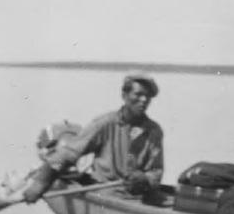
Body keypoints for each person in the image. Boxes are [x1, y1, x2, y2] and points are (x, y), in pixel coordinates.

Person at [21, 72, 166, 203]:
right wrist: (41, 183)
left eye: (148, 96)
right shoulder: (104, 123)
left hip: (139, 197)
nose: (144, 100)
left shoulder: (154, 131)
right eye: (138, 94)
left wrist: (145, 179)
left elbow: (156, 171)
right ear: (124, 96)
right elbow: (67, 154)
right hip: (106, 195)